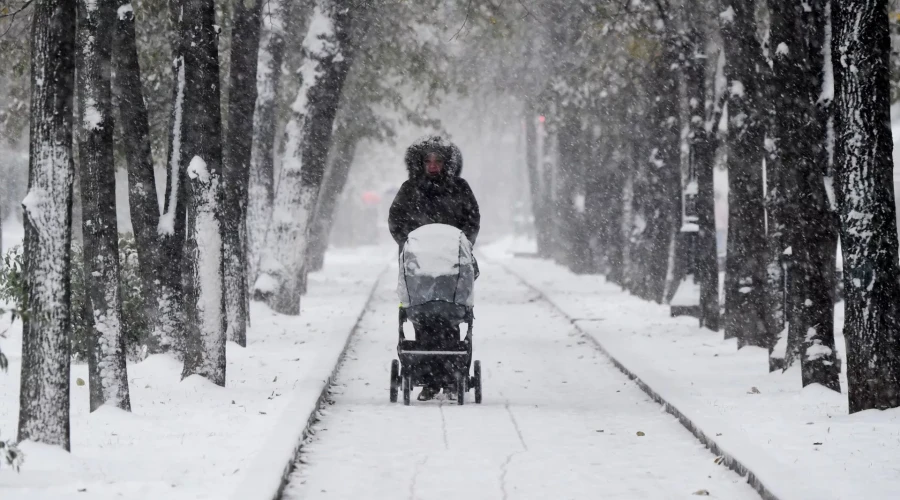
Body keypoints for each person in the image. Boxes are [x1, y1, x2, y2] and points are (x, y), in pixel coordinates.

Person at [389, 136, 480, 401]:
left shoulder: (460, 189)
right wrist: (409, 244)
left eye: (438, 161)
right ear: (419, 163)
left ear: (447, 163)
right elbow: (396, 221)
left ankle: (451, 378)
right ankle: (429, 379)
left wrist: (463, 243)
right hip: (420, 266)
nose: (432, 166)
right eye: (427, 161)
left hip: (451, 265)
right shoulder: (410, 190)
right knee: (424, 321)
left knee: (450, 320)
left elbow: (472, 219)